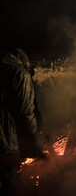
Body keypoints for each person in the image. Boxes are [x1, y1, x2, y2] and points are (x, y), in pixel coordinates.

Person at [0, 47, 46, 195]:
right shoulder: (19, 73)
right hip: (4, 144)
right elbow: (25, 112)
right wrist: (33, 141)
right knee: (8, 186)